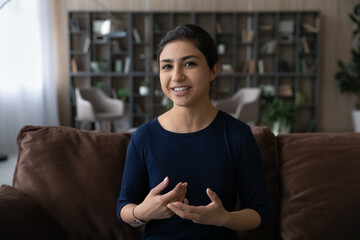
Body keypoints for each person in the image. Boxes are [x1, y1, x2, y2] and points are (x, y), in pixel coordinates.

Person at [116, 24, 269, 240]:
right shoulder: (143, 137)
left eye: (189, 64)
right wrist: (142, 212)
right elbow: (124, 207)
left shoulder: (238, 135)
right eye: (167, 66)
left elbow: (260, 213)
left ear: (213, 70)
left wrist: (222, 218)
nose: (177, 76)